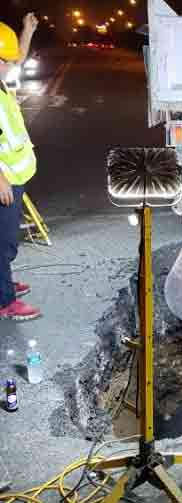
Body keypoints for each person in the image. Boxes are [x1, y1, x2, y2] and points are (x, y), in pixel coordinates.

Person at [0, 13, 40, 321]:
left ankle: (3, 283)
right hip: (4, 180)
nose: (9, 65)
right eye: (4, 59)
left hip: (15, 176)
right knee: (4, 242)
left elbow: (18, 58)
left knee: (7, 240)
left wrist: (26, 32)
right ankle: (4, 301)